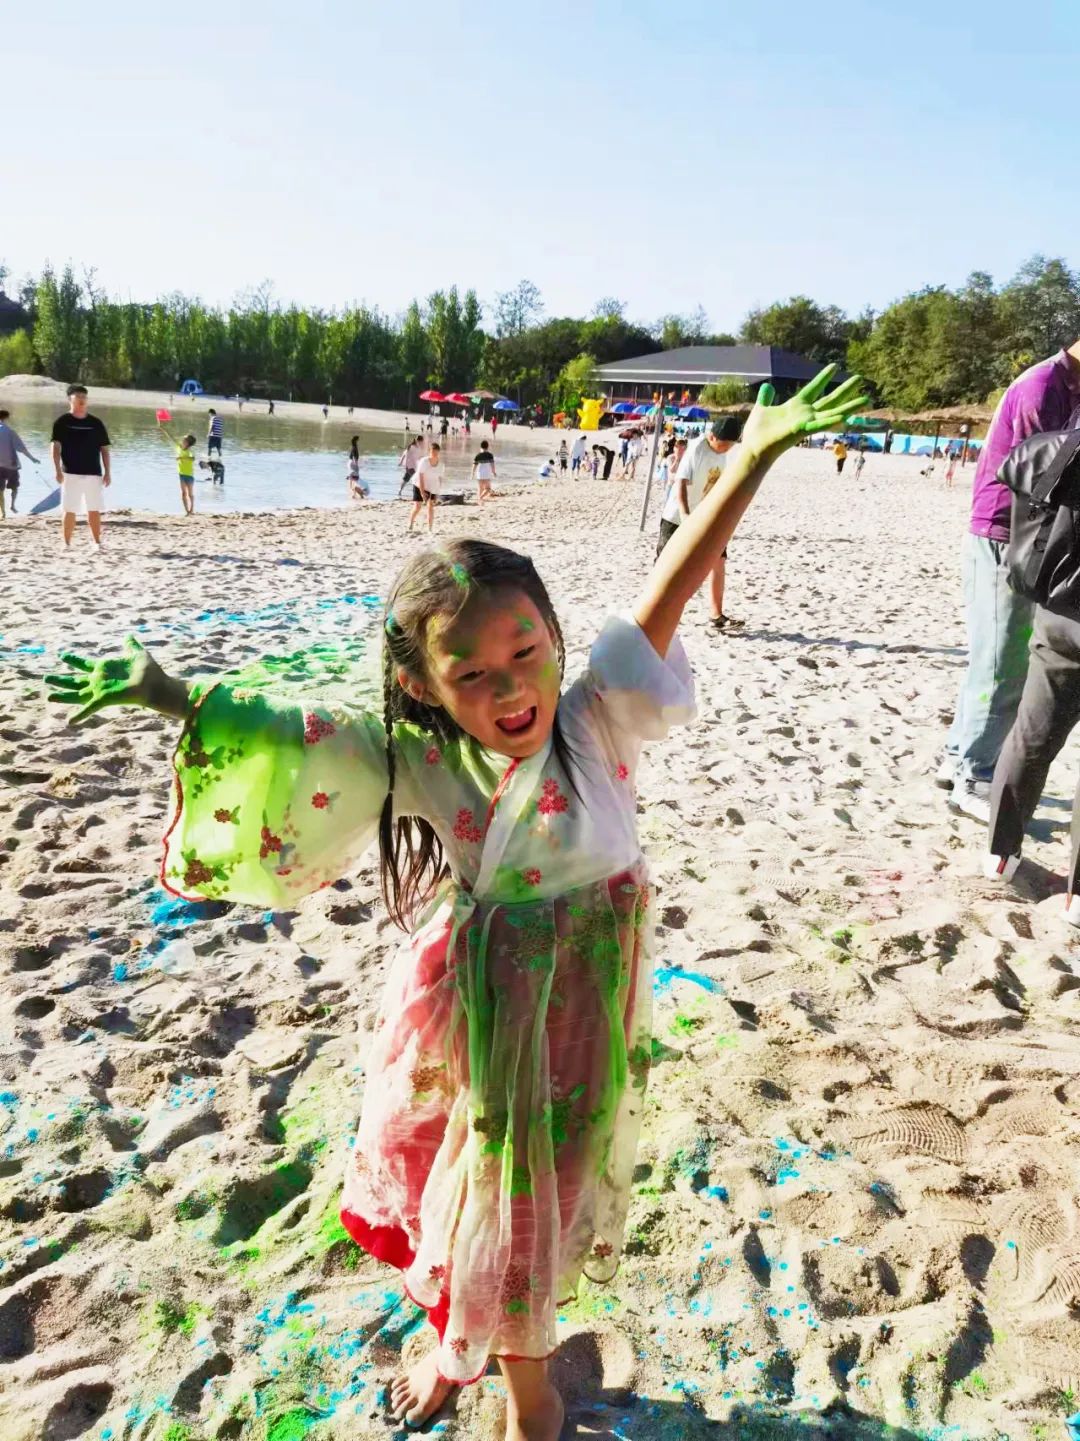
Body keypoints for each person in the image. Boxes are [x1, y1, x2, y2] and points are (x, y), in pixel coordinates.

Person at [43, 364, 863, 1439]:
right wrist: (173, 696)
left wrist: (746, 462)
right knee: (486, 1187)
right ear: (423, 686)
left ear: (554, 638)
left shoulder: (597, 715)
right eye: (470, 674)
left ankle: (478, 1357)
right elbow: (298, 736)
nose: (510, 687)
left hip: (585, 1002)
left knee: (540, 1192)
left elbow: (672, 578)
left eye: (525, 652)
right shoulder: (416, 756)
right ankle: (517, 1390)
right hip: (483, 1002)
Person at [939, 342, 1080, 820]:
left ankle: (958, 756)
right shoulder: (1042, 387)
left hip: (1023, 537)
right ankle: (975, 776)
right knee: (1004, 663)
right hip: (1006, 536)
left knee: (994, 658)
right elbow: (1044, 477)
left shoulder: (1067, 385)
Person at [655, 416, 743, 631]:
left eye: (730, 446)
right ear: (712, 437)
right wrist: (685, 515)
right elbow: (681, 483)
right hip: (677, 517)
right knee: (664, 564)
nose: (726, 450)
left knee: (718, 560)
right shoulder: (696, 449)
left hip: (706, 517)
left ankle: (716, 615)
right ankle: (655, 611)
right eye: (724, 445)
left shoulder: (723, 454)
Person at [50, 385, 111, 551]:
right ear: (70, 399)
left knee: (94, 509)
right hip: (70, 472)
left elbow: (104, 449)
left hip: (93, 473)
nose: (82, 400)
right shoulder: (62, 422)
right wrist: (57, 470)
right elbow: (55, 447)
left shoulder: (96, 423)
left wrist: (108, 472)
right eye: (78, 397)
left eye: (84, 397)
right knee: (69, 509)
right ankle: (67, 543)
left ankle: (97, 542)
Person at [0, 408, 40, 518]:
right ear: (7, 418)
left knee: (0, 490)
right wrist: (32, 459)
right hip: (11, 465)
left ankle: (3, 512)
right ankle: (12, 505)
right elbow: (21, 448)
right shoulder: (10, 431)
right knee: (14, 487)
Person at [157, 421, 197, 515]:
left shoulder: (190, 451)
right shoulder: (179, 447)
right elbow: (171, 438)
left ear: (188, 444)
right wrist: (163, 429)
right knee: (183, 493)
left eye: (184, 441)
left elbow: (193, 458)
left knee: (190, 494)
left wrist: (181, 458)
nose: (182, 442)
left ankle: (192, 509)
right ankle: (187, 511)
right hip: (181, 474)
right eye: (183, 441)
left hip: (189, 475)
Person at [409, 440, 445, 533]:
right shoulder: (424, 461)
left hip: (432, 487)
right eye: (432, 452)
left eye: (436, 452)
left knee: (430, 506)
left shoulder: (441, 465)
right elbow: (420, 476)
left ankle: (430, 528)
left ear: (438, 452)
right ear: (429, 451)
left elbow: (439, 480)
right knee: (418, 507)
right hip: (418, 484)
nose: (434, 454)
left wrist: (437, 494)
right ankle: (411, 523)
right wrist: (422, 492)